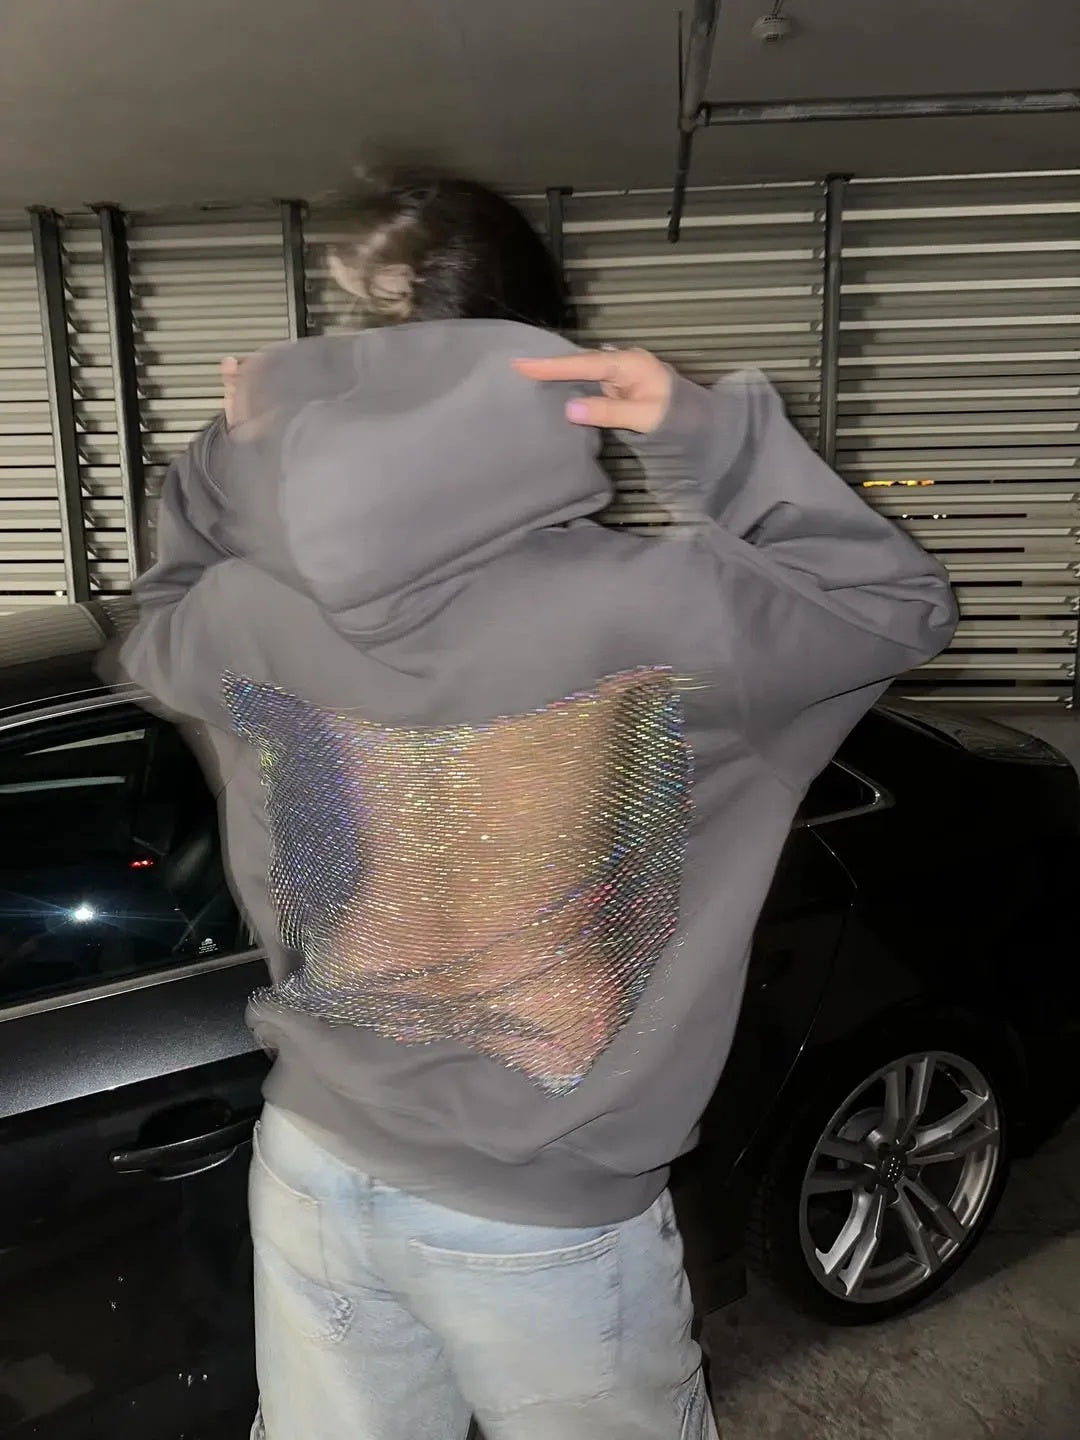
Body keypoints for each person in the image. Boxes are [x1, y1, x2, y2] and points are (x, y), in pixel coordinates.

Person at [117, 170, 957, 1440]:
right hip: (543, 1222)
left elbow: (152, 618)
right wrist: (703, 431)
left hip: (315, 1164)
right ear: (549, 365)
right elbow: (894, 604)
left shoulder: (241, 614)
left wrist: (223, 459)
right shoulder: (675, 614)